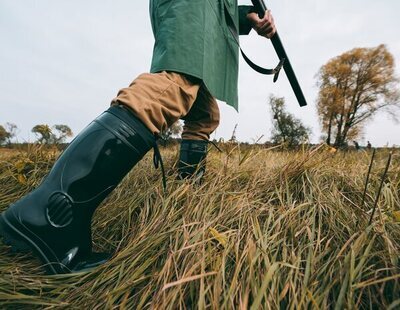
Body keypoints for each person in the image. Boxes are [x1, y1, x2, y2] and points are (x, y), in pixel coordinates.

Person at [0, 1, 276, 274]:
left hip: (206, 11)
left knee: (204, 114)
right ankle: (49, 214)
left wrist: (246, 17)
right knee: (175, 85)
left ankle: (187, 196)